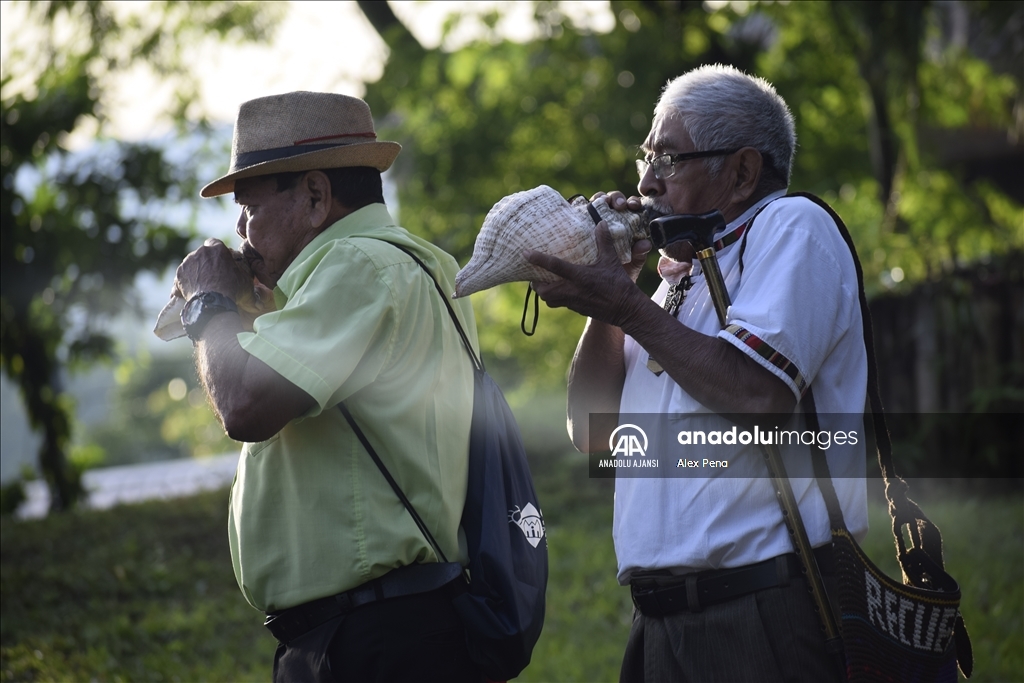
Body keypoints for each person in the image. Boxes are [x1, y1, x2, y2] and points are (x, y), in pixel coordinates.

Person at [526, 64, 869, 681]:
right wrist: (619, 294)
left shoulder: (791, 228)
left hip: (763, 613)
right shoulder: (673, 283)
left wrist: (626, 307)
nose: (647, 182)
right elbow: (594, 434)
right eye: (646, 157)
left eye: (669, 159)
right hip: (658, 626)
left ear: (741, 172)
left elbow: (759, 397)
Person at [172, 91, 482, 682]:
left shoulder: (356, 268)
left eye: (249, 206)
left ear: (316, 196)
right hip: (381, 627)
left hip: (374, 638)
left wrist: (210, 305)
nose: (241, 229)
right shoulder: (416, 263)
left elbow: (243, 404)